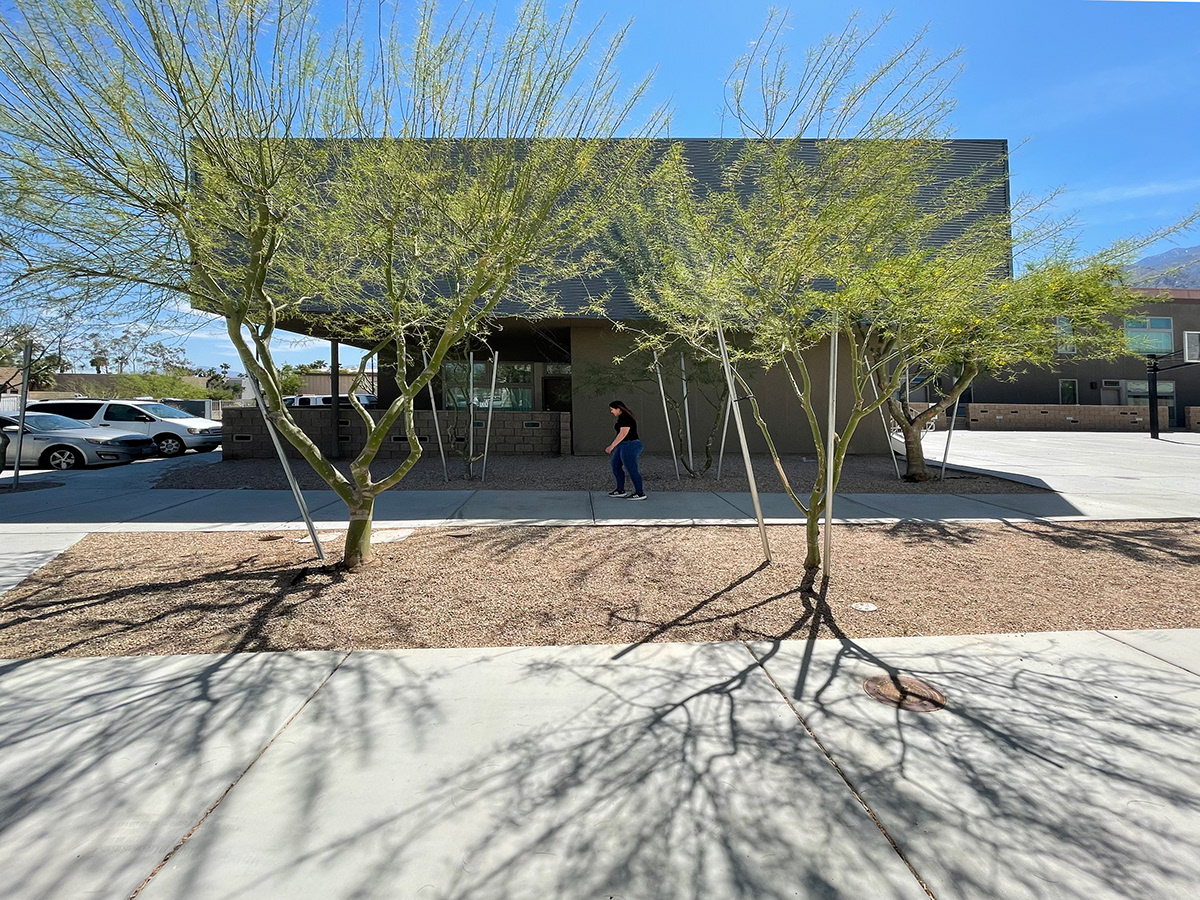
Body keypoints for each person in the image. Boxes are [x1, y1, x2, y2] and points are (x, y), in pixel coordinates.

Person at [605, 400, 645, 500]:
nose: (611, 411)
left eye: (612, 409)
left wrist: (612, 446)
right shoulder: (621, 418)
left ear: (618, 409)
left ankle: (639, 493)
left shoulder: (625, 417)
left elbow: (623, 434)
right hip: (623, 445)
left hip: (631, 444)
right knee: (615, 466)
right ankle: (620, 490)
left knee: (631, 468)